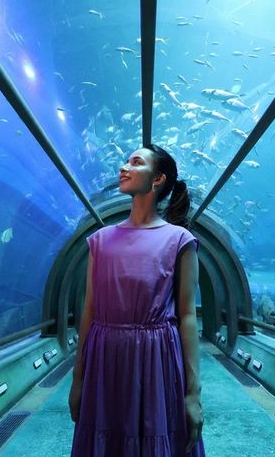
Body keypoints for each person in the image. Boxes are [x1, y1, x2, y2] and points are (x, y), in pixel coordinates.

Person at [69, 144, 205, 456]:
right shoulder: (99, 241)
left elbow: (187, 316)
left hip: (158, 360)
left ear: (157, 179)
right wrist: (78, 379)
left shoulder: (179, 240)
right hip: (105, 360)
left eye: (135, 162)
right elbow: (88, 310)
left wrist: (193, 394)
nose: (123, 167)